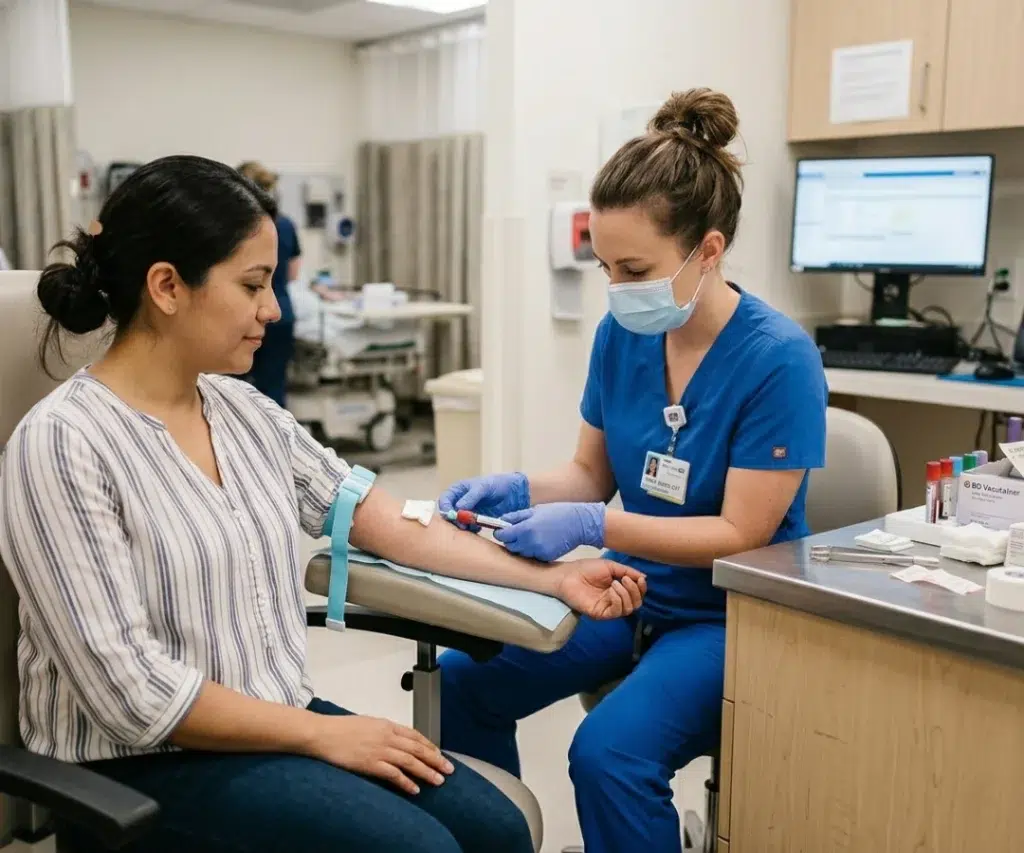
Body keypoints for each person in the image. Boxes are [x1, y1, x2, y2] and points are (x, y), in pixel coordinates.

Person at [0, 155, 648, 853]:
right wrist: (323, 732)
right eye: (252, 285)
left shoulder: (242, 411)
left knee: (497, 829)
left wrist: (552, 578)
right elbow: (131, 693)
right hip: (144, 767)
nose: (274, 309)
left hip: (271, 724)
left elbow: (384, 521)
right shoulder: (63, 444)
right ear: (167, 286)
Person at [437, 89, 828, 853]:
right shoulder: (623, 336)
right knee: (461, 680)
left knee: (609, 753)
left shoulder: (778, 360)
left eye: (636, 267)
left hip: (728, 616)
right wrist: (515, 488)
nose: (617, 288)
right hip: (625, 589)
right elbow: (589, 473)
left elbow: (743, 532)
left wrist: (593, 524)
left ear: (707, 250)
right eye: (606, 266)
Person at [237, 160, 300, 407]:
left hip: (246, 314)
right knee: (273, 388)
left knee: (232, 391)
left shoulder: (237, 227)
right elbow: (293, 274)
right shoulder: (285, 225)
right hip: (280, 313)